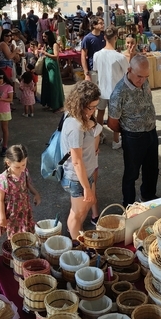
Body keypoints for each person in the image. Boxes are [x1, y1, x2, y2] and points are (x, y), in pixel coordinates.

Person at [107, 55, 159, 205]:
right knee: (132, 173)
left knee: (152, 169)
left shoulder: (144, 81)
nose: (142, 80)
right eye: (139, 76)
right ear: (129, 70)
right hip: (133, 137)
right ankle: (129, 205)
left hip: (151, 132)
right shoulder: (119, 92)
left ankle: (148, 197)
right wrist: (128, 131)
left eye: (146, 77)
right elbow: (112, 123)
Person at [61, 81, 103, 239]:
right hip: (77, 178)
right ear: (80, 104)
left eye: (95, 107)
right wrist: (86, 187)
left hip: (86, 174)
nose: (93, 111)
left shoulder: (79, 117)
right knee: (77, 214)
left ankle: (78, 239)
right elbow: (77, 161)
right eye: (90, 107)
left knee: (83, 210)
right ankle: (75, 244)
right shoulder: (76, 126)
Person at [0, 145, 41, 239]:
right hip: (11, 211)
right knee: (13, 234)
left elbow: (28, 184)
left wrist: (36, 194)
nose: (21, 169)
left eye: (24, 165)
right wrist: (2, 217)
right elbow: (0, 200)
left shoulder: (24, 172)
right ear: (8, 163)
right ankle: (13, 246)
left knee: (25, 230)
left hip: (24, 207)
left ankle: (24, 244)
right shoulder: (3, 179)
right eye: (17, 167)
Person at [94, 26, 129, 149]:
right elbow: (127, 72)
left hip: (101, 89)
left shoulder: (97, 55)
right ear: (116, 38)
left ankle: (99, 136)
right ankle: (115, 140)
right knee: (116, 116)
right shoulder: (120, 57)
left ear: (104, 37)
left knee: (100, 113)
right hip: (115, 91)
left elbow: (95, 70)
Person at [40, 31, 66, 113]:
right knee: (47, 85)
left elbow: (56, 56)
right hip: (46, 67)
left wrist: (45, 53)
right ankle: (50, 104)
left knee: (54, 85)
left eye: (45, 36)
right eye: (43, 36)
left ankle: (58, 105)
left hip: (53, 67)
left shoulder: (55, 45)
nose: (43, 38)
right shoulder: (46, 45)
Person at [81, 16, 106, 82]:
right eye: (100, 23)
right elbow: (83, 56)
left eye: (103, 23)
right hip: (93, 70)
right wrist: (86, 73)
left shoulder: (104, 37)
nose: (103, 25)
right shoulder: (87, 38)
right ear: (94, 25)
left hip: (104, 68)